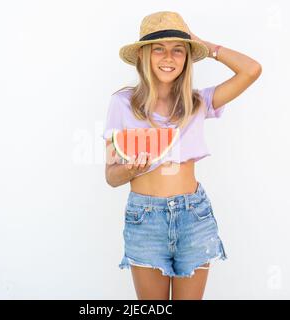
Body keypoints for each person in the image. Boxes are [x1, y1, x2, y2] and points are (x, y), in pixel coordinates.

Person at [102, 11, 262, 300]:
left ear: (188, 58)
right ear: (143, 56)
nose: (169, 57)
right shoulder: (121, 103)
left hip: (194, 215)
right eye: (159, 49)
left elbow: (252, 70)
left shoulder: (198, 101)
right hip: (144, 218)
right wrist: (130, 170)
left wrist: (205, 46)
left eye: (178, 50)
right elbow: (111, 177)